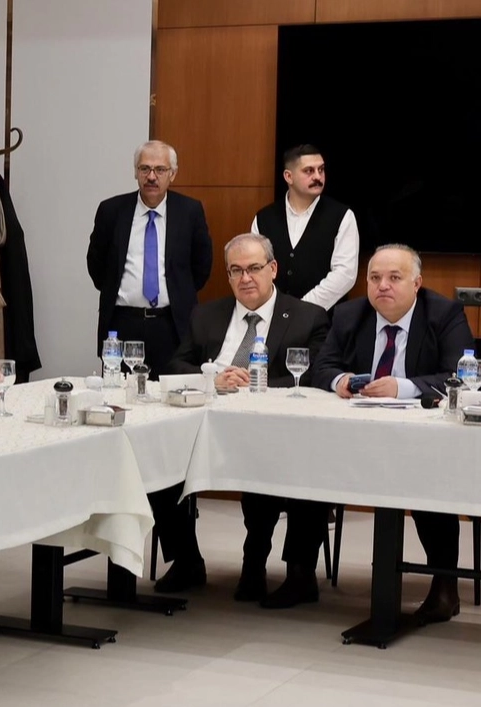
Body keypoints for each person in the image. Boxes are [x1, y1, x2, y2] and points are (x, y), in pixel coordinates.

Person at [157, 233, 331, 606]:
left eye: (254, 268)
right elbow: (174, 366)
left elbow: (314, 376)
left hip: (277, 433)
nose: (245, 278)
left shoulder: (307, 317)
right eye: (235, 271)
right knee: (156, 460)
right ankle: (186, 560)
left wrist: (254, 383)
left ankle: (278, 568)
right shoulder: (206, 314)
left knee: (307, 463)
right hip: (207, 428)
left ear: (273, 269)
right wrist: (211, 379)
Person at [314, 243, 473, 622]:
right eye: (374, 278)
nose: (382, 286)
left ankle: (444, 585)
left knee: (428, 480)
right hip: (356, 435)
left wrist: (402, 387)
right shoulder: (350, 314)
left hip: (424, 440)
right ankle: (300, 573)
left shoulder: (443, 313)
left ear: (417, 283)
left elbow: (461, 376)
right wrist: (341, 380)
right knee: (309, 460)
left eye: (394, 278)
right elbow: (321, 366)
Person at [87, 140, 212, 378]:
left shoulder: (189, 211)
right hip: (122, 324)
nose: (151, 177)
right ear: (136, 172)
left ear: (173, 174)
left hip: (171, 324)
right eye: (145, 169)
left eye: (160, 170)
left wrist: (178, 292)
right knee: (120, 393)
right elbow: (97, 264)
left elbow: (201, 266)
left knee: (172, 392)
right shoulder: (111, 211)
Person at [252, 144, 358, 310]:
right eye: (309, 171)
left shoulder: (342, 216)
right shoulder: (264, 218)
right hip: (273, 315)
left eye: (321, 170)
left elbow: (345, 274)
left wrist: (301, 310)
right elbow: (255, 268)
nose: (318, 177)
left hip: (324, 318)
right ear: (288, 176)